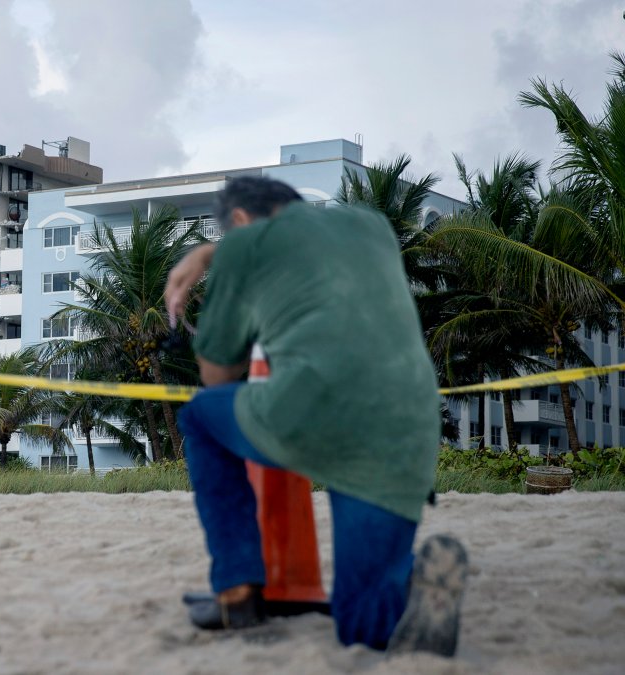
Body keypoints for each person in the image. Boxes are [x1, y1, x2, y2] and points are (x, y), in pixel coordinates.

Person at [163, 176, 469, 656]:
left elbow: (218, 374)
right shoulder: (370, 225)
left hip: (315, 415)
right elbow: (303, 248)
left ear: (239, 221)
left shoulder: (245, 244)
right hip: (407, 429)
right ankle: (408, 590)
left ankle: (237, 593)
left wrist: (215, 268)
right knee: (362, 622)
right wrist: (211, 254)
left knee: (203, 417)